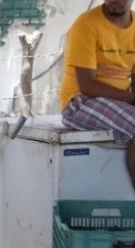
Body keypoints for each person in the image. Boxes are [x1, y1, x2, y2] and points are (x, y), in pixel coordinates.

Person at [61, 0, 135, 187]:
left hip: (120, 101)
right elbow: (88, 86)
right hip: (79, 102)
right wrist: (132, 98)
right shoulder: (86, 24)